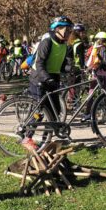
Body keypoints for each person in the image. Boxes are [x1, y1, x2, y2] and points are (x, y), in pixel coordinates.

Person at [23, 16, 73, 151]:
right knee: (39, 111)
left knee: (55, 112)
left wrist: (73, 70)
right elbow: (39, 64)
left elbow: (62, 66)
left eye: (70, 30)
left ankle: (46, 141)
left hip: (53, 78)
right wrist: (46, 78)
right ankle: (27, 138)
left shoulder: (64, 45)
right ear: (57, 29)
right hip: (38, 78)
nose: (69, 33)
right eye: (66, 30)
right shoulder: (47, 42)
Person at [82, 31, 106, 120]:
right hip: (101, 74)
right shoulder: (103, 49)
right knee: (103, 94)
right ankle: (102, 113)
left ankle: (88, 114)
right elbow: (105, 64)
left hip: (96, 74)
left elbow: (102, 63)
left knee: (93, 93)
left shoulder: (95, 48)